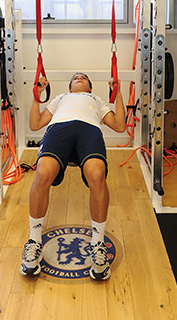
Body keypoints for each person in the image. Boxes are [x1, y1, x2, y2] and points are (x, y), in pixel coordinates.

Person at [20, 72, 126, 281]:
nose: (79, 78)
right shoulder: (61, 98)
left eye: (84, 78)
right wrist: (36, 95)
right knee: (42, 174)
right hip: (59, 129)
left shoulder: (96, 100)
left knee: (97, 176)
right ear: (70, 88)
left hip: (89, 131)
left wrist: (119, 93)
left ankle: (97, 244)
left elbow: (119, 125)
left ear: (90, 88)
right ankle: (33, 242)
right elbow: (35, 124)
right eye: (76, 78)